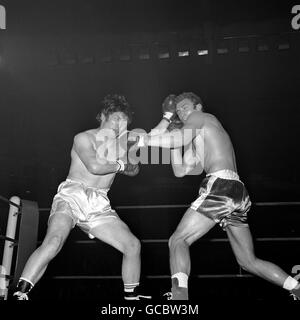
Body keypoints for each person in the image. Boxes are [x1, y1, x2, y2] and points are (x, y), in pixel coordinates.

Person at [136, 92, 300, 300]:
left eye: (185, 106)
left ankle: (179, 298)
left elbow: (177, 138)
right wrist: (172, 135)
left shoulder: (201, 118)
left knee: (178, 239)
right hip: (236, 192)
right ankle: (296, 287)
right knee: (247, 262)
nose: (182, 112)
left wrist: (147, 139)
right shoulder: (200, 135)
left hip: (221, 186)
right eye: (178, 110)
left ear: (198, 106)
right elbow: (181, 170)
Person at [13, 94, 151, 301]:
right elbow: (95, 167)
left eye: (124, 121)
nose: (119, 124)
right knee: (54, 241)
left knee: (132, 245)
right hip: (72, 195)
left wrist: (132, 151)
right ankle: (20, 293)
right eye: (116, 118)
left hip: (99, 203)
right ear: (103, 116)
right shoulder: (83, 138)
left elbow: (134, 170)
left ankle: (131, 296)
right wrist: (123, 164)